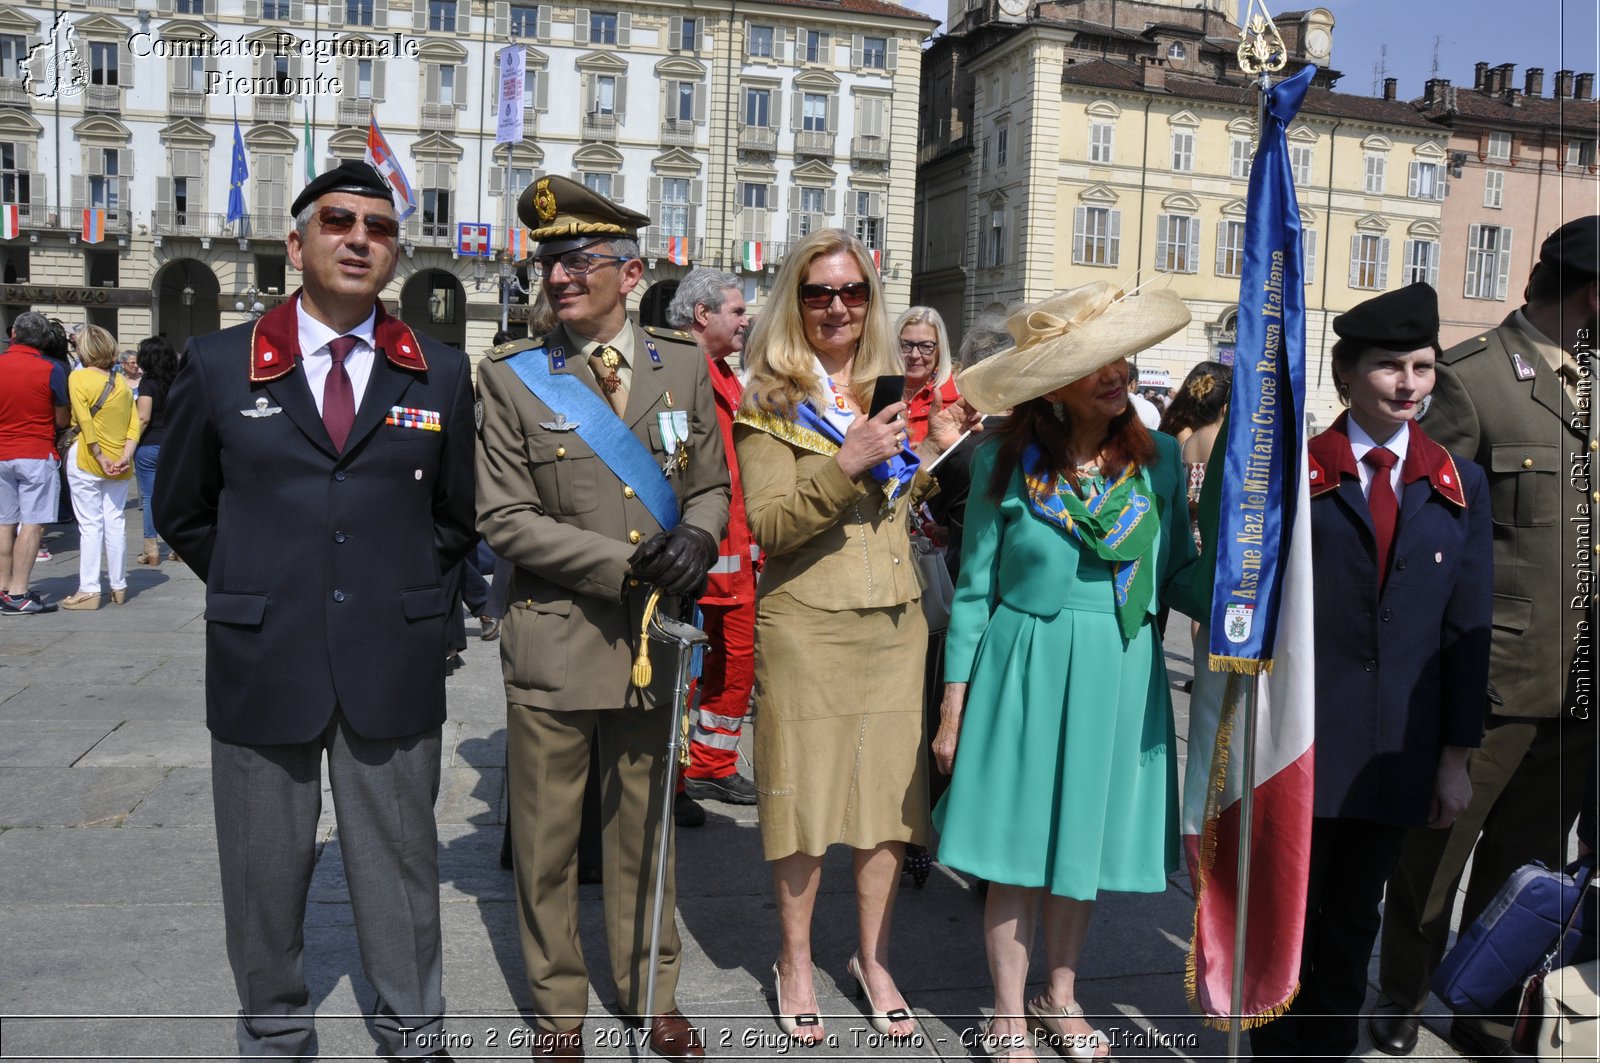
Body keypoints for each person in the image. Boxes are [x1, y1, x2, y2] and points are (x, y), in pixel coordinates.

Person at [153, 160, 476, 1061]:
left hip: (392, 655)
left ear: (395, 254)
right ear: (296, 243)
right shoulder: (222, 362)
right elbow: (181, 507)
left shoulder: (441, 373)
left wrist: (402, 592)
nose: (358, 238)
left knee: (404, 864)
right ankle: (276, 1030)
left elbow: (456, 518)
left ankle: (416, 1031)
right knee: (261, 870)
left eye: (377, 227)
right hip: (266, 656)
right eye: (337, 221)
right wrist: (256, 584)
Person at [476, 174, 729, 1063]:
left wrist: (699, 538)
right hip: (554, 638)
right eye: (549, 262)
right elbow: (504, 518)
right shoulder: (511, 378)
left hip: (653, 646)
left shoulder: (684, 364)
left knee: (647, 830)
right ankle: (558, 1012)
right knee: (546, 844)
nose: (558, 278)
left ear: (633, 271)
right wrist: (630, 563)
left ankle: (652, 992)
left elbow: (709, 485)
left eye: (579, 261)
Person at [930, 281, 1196, 1062]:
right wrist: (953, 706)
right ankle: (1008, 1010)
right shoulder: (1003, 464)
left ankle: (1062, 996)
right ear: (1053, 382)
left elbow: (1177, 570)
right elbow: (974, 590)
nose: (1117, 374)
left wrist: (1247, 592)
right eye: (1094, 363)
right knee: (1014, 847)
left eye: (1121, 358)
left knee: (1079, 844)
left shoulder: (1164, 461)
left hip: (1120, 664)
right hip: (1024, 663)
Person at [734, 227, 980, 1044]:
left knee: (886, 807)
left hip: (896, 622)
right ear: (793, 302)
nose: (837, 307)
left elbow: (911, 498)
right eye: (818, 293)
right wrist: (845, 463)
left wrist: (944, 454)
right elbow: (769, 520)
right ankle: (796, 958)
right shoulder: (767, 395)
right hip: (807, 622)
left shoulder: (890, 388)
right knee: (802, 800)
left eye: (852, 292)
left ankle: (872, 959)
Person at [1369, 217, 1600, 1059]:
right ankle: (1398, 994)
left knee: (1526, 866)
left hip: (1579, 685)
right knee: (1434, 856)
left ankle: (1486, 1004)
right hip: (1493, 675)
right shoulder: (1473, 382)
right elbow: (1428, 544)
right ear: (1593, 295)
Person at [1249, 283, 1492, 1061]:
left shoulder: (1457, 485)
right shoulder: (1294, 473)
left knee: (1356, 920)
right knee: (1291, 917)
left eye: (1422, 367)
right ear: (1344, 372)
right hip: (1304, 745)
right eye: (1391, 365)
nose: (1409, 383)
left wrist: (1454, 760)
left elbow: (1466, 631)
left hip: (1397, 755)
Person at [665, 268, 760, 808]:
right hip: (698, 552)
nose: (744, 320)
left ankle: (712, 763)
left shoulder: (723, 372)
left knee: (734, 664)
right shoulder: (677, 372)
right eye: (737, 311)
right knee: (685, 671)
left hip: (736, 550)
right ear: (703, 315)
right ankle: (675, 775)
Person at [61, 324, 140, 610]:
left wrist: (98, 454)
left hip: (86, 458)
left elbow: (83, 419)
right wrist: (126, 454)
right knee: (115, 520)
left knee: (90, 524)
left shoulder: (78, 377)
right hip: (120, 460)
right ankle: (119, 585)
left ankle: (89, 589)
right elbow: (134, 422)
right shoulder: (120, 382)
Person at [0, 311, 69, 615]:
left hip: (2, 451)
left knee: (4, 523)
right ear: (43, 340)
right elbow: (62, 418)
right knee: (32, 525)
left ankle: (3, 587)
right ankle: (18, 593)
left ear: (13, 334)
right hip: (36, 451)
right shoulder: (51, 369)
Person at [132, 336, 179, 566]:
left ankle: (151, 549)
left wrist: (129, 444)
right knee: (176, 496)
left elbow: (143, 417)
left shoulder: (148, 383)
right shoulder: (179, 380)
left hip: (150, 444)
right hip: (176, 446)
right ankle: (178, 548)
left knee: (151, 497)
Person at [895, 306, 962, 445]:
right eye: (906, 345)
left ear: (940, 350)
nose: (914, 355)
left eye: (926, 346)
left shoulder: (956, 402)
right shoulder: (872, 391)